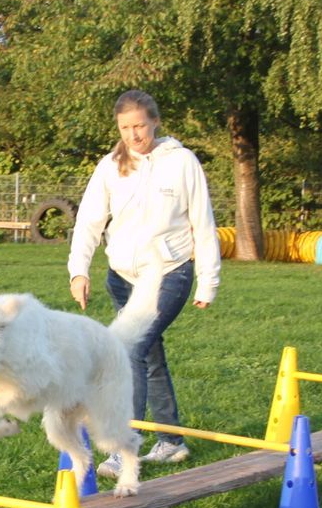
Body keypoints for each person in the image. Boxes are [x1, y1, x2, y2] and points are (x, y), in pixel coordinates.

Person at [67, 89, 220, 471]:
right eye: (125, 128)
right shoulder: (110, 167)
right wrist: (79, 271)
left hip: (168, 273)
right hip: (122, 278)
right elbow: (88, 222)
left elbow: (203, 223)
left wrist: (208, 280)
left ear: (155, 122)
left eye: (140, 125)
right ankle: (171, 441)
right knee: (149, 356)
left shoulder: (182, 162)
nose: (134, 134)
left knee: (129, 350)